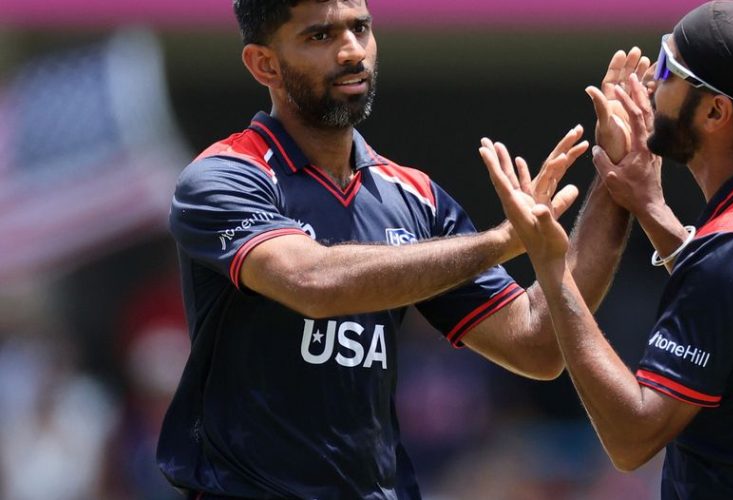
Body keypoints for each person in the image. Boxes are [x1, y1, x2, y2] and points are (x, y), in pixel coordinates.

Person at [157, 0, 641, 498]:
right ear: (265, 64)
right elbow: (312, 282)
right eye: (319, 36)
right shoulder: (225, 177)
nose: (351, 51)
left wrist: (616, 182)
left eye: (360, 28)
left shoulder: (416, 199)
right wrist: (502, 243)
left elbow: (537, 343)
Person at [482, 1, 733, 498]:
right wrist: (650, 208)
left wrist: (552, 268)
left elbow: (632, 439)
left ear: (716, 111)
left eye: (670, 68)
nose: (651, 81)